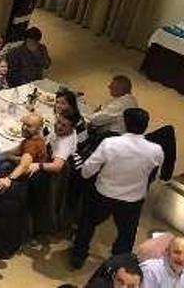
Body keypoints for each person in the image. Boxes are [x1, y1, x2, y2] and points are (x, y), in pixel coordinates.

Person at [71, 108, 165, 268]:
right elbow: (153, 176)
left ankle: (78, 255)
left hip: (103, 194)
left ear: (126, 123)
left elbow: (87, 171)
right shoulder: (156, 151)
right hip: (133, 200)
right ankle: (117, 265)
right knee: (126, 234)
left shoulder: (110, 144)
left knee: (87, 223)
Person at [0, 113, 49, 193]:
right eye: (24, 124)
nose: (24, 127)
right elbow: (19, 151)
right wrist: (7, 156)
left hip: (25, 179)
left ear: (39, 129)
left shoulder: (32, 145)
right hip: (27, 172)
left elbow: (24, 165)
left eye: (29, 126)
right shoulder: (36, 137)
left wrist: (9, 179)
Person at [29, 106, 79, 176]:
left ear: (71, 128)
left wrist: (38, 165)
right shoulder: (61, 129)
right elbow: (47, 139)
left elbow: (57, 166)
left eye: (64, 125)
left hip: (53, 173)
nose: (59, 126)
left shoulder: (66, 143)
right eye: (58, 121)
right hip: (46, 154)